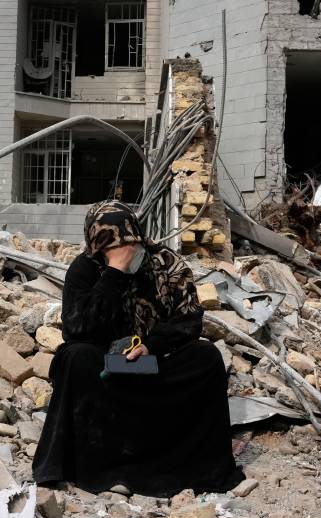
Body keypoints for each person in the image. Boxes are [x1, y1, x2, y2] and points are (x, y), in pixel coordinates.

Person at [32, 200, 243, 497]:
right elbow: (77, 329)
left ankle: (192, 467)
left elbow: (189, 322)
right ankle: (100, 468)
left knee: (206, 357)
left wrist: (151, 346)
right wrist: (114, 273)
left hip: (155, 366)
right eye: (113, 248)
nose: (125, 252)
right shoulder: (84, 270)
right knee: (74, 357)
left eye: (129, 245)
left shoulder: (167, 264)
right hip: (108, 372)